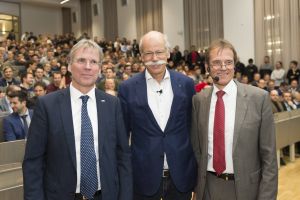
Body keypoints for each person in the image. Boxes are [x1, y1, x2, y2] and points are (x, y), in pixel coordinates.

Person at [23, 39, 132, 200]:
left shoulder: (112, 104)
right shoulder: (47, 105)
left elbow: (122, 156)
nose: (88, 67)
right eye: (81, 60)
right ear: (68, 65)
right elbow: (33, 162)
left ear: (99, 68)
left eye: (93, 62)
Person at [191, 39, 278, 200]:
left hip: (247, 190)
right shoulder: (199, 100)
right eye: (217, 62)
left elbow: (269, 158)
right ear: (207, 67)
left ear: (235, 65)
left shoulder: (258, 98)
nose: (223, 68)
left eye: (228, 62)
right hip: (208, 188)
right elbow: (197, 149)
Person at [118, 31, 197, 200]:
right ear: (141, 56)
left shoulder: (187, 84)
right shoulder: (127, 88)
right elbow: (122, 137)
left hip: (181, 176)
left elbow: (193, 129)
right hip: (143, 177)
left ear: (168, 53)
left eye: (159, 52)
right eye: (148, 53)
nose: (155, 58)